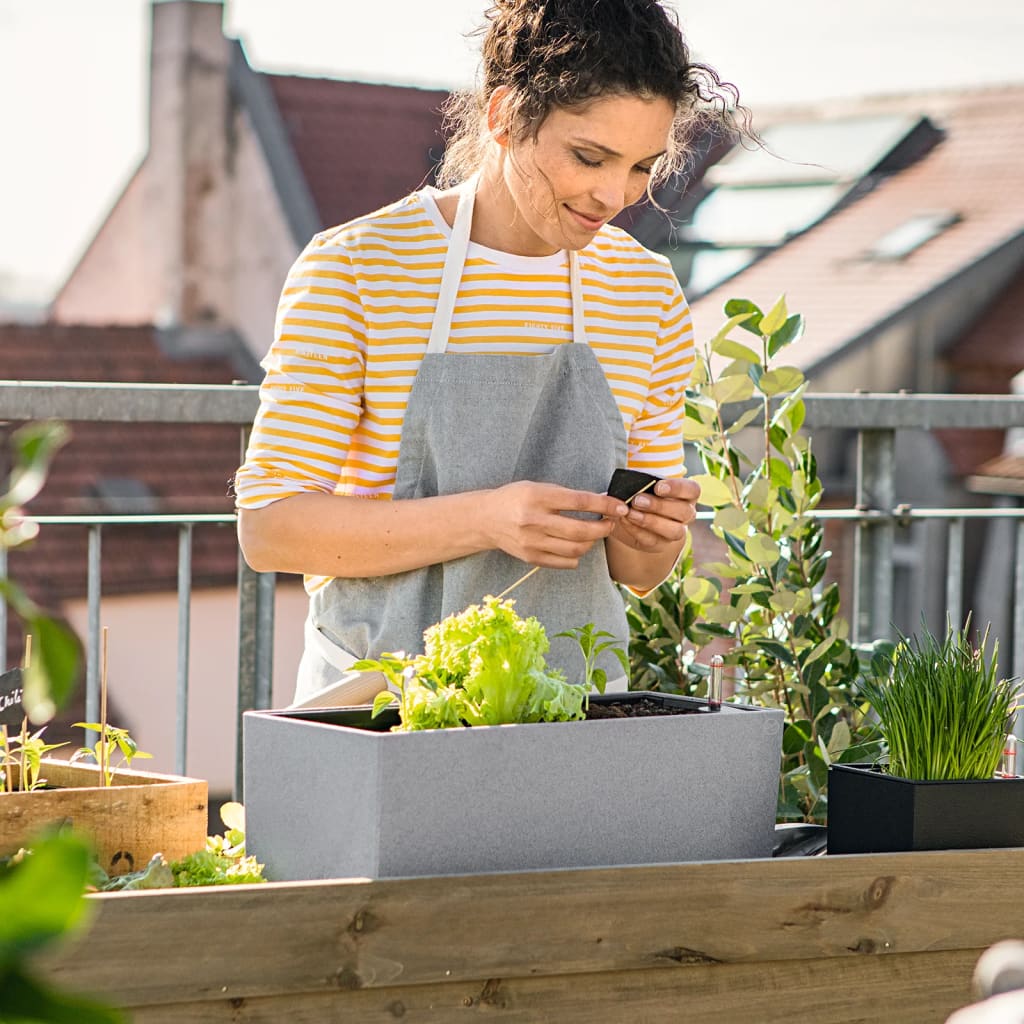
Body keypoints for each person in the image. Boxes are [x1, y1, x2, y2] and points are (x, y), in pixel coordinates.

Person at [234, 0, 742, 706]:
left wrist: (655, 532)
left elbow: (634, 569)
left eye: (639, 167)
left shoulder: (644, 291)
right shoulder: (358, 268)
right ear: (505, 116)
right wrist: (487, 520)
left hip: (573, 702)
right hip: (385, 704)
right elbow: (271, 528)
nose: (612, 196)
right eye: (589, 157)